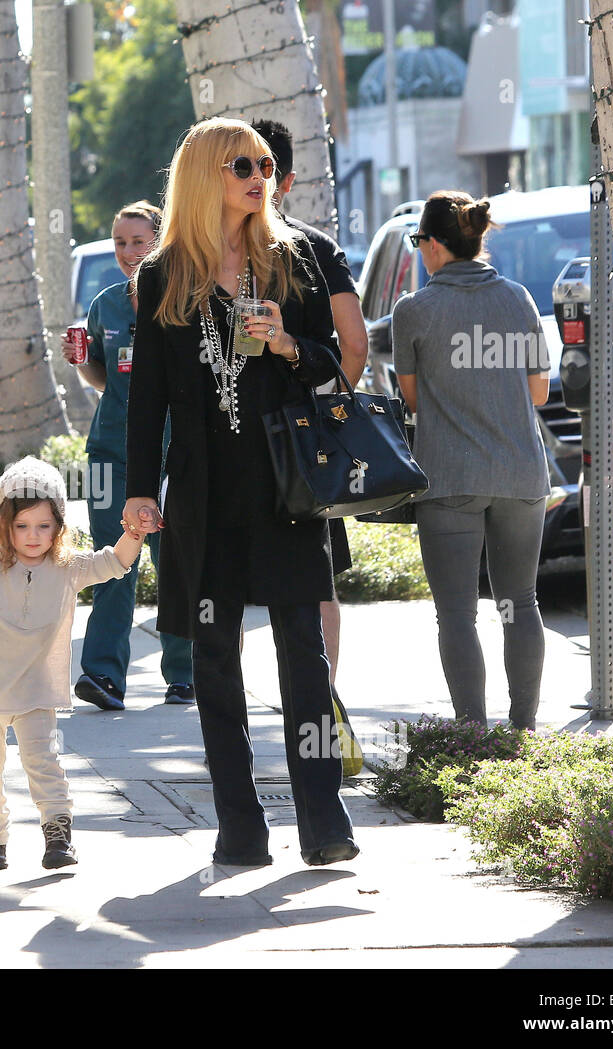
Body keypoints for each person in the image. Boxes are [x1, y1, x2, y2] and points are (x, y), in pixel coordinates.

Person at [124, 118, 358, 868]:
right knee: (214, 662)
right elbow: (147, 401)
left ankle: (323, 819)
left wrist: (290, 343)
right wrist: (135, 491)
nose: (261, 177)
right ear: (202, 176)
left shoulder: (297, 264)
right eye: (242, 166)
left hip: (287, 487)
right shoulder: (163, 276)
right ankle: (240, 824)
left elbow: (334, 371)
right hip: (204, 496)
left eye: (263, 165)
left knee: (303, 659)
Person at [392, 191, 550, 731]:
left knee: (457, 613)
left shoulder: (413, 311)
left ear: (433, 245)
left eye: (418, 241)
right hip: (521, 473)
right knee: (520, 604)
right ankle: (524, 732)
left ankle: (471, 733)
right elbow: (538, 393)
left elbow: (412, 401)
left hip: (449, 477)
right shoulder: (520, 300)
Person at [0, 457, 141, 871]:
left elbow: (114, 562)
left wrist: (133, 532)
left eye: (44, 526)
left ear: (59, 526)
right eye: (22, 526)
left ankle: (57, 834)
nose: (33, 536)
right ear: (5, 526)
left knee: (44, 763)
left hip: (35, 692)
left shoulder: (67, 568)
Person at [60, 200, 194, 710]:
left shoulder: (187, 300)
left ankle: (184, 674)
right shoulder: (106, 304)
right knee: (113, 558)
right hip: (110, 449)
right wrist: (81, 364)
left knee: (173, 559)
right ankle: (102, 675)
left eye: (139, 241)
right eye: (120, 242)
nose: (128, 252)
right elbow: (100, 375)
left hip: (173, 452)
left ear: (160, 241)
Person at [251, 119, 369, 685]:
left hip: (233, 442)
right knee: (314, 575)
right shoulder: (317, 248)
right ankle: (323, 704)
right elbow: (355, 347)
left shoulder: (196, 249)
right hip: (300, 441)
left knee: (225, 590)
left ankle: (234, 730)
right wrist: (321, 411)